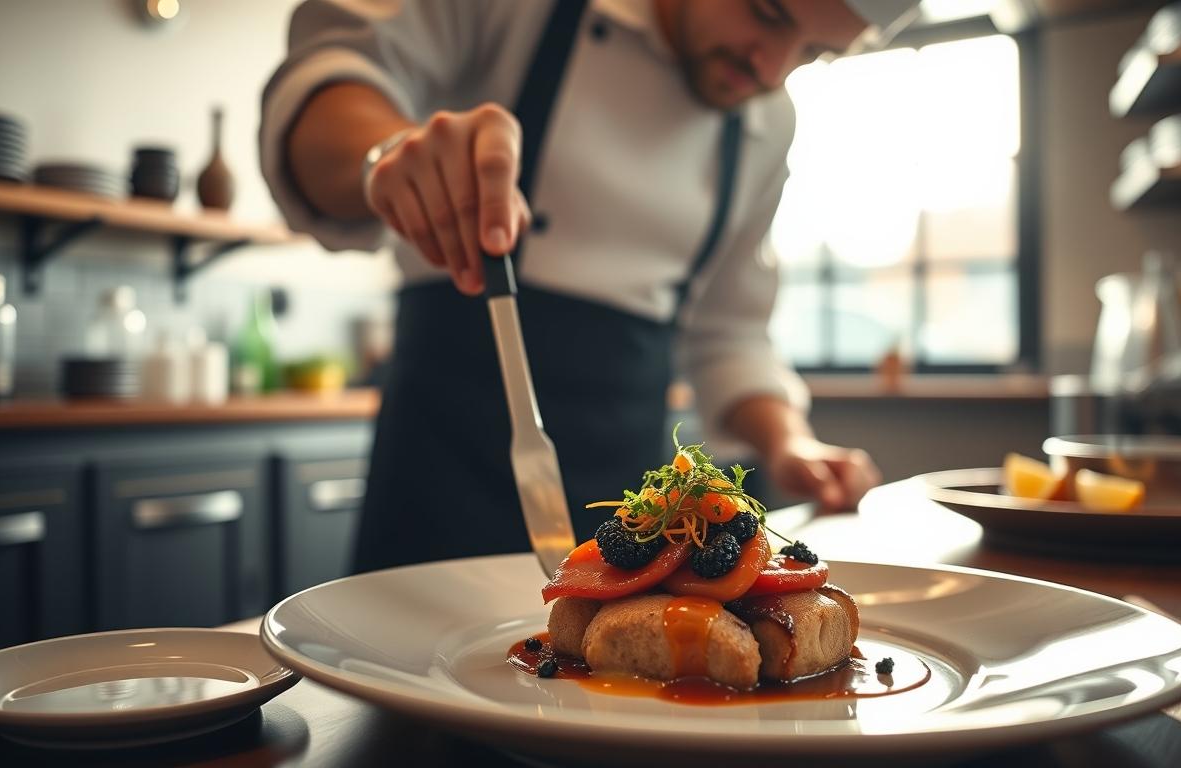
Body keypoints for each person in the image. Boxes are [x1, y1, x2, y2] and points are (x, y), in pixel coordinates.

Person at [261, 0, 915, 571]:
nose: (772, 70)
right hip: (442, 467)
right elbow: (333, 72)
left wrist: (788, 442)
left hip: (629, 487)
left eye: (815, 52)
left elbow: (730, 328)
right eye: (767, 12)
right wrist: (388, 158)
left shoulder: (769, 123)